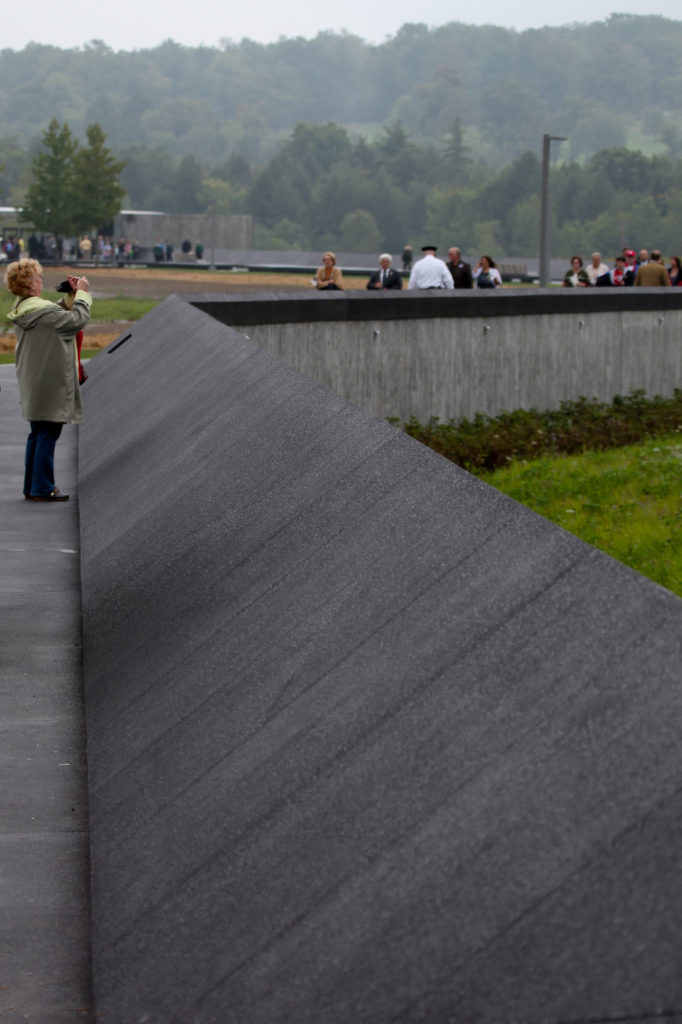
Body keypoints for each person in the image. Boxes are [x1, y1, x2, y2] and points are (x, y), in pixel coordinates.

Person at [5, 259, 91, 502]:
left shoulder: (25, 308)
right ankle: (42, 487)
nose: (42, 282)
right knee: (48, 433)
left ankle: (32, 486)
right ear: (31, 284)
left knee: (38, 432)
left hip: (35, 380)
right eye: (38, 278)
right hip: (50, 382)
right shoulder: (42, 312)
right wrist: (83, 295)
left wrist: (68, 299)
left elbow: (52, 315)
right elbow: (76, 321)